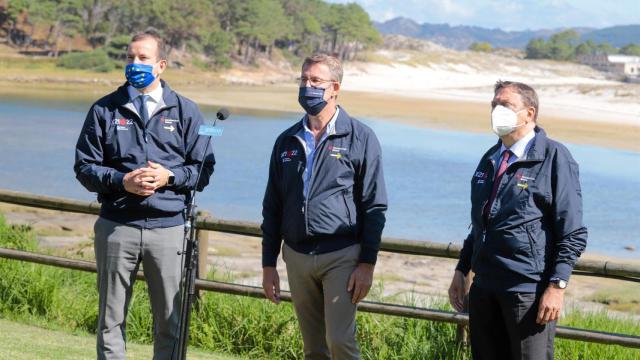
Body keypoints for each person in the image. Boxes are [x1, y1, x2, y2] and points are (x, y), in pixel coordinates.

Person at [74, 30, 214, 360]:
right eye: (130, 57)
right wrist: (122, 181)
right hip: (116, 227)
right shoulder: (104, 109)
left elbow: (203, 171)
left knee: (170, 321)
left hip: (169, 231)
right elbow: (84, 168)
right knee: (110, 319)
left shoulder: (187, 112)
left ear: (161, 65)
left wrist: (170, 177)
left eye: (143, 58)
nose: (135, 63)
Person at [448, 81, 588, 360]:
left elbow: (572, 231)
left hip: (527, 290)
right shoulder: (490, 157)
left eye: (506, 105)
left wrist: (557, 286)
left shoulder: (554, 157)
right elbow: (480, 223)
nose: (497, 110)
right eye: (494, 105)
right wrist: (462, 269)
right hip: (485, 287)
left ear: (529, 113)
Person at [261, 53, 388, 360]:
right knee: (314, 349)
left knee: (340, 341)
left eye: (315, 81)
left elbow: (375, 205)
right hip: (296, 256)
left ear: (335, 88)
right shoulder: (287, 140)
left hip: (341, 257)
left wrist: (367, 264)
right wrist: (268, 264)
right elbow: (272, 205)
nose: (307, 87)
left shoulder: (361, 137)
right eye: (303, 79)